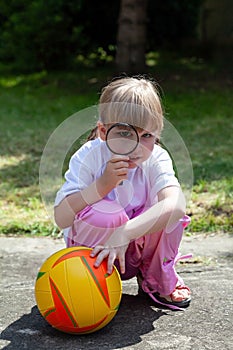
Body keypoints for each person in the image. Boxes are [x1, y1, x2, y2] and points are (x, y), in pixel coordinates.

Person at [54, 76, 191, 310]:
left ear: (158, 134)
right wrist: (101, 186)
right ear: (103, 132)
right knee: (108, 212)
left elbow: (176, 205)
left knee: (170, 217)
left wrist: (123, 234)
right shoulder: (89, 156)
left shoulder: (156, 157)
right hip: (94, 250)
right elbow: (62, 217)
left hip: (131, 248)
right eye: (126, 134)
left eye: (147, 136)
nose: (137, 147)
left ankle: (155, 279)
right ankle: (91, 282)